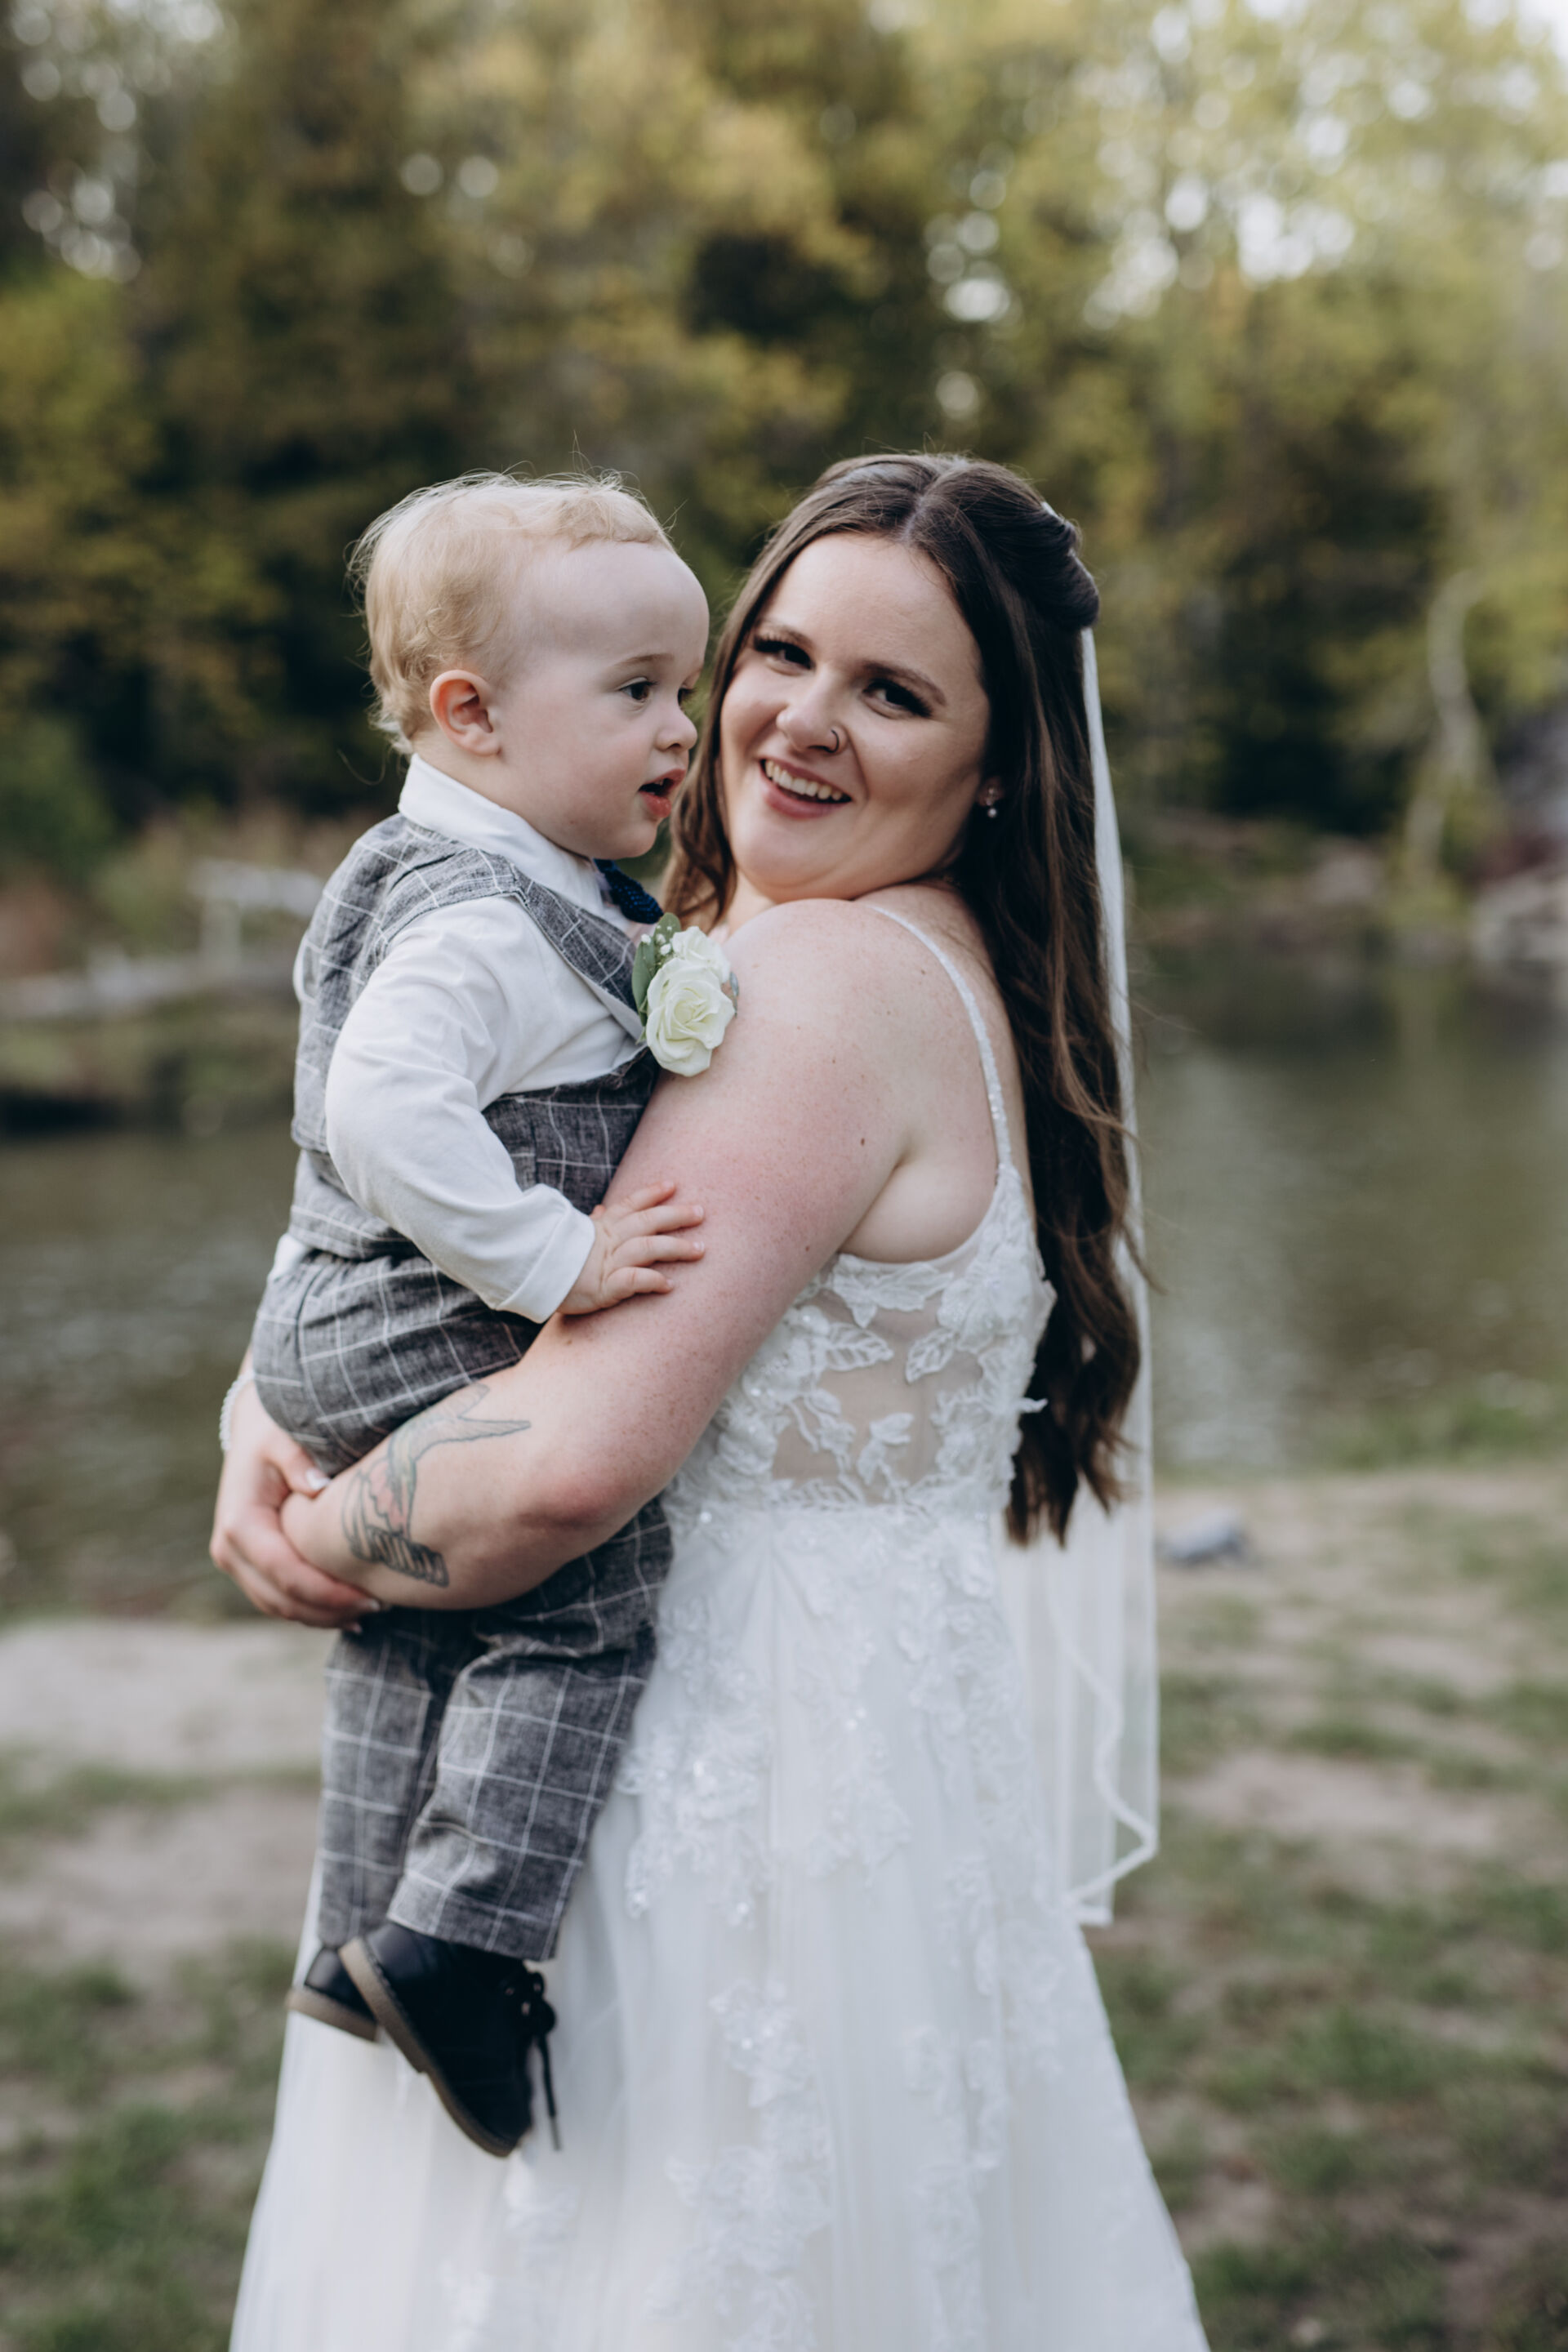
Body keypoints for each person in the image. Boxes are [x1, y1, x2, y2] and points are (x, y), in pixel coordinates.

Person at [215, 452, 1209, 2349]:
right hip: (878, 1779)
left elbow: (565, 1469)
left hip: (716, 1798)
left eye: (893, 692)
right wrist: (261, 1400)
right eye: (782, 654)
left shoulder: (820, 983)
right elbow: (406, 1222)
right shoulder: (890, 959)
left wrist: (304, 1517)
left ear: (999, 765)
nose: (801, 722)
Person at [241, 472, 717, 2153]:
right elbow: (381, 1114)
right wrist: (555, 1265)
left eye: (686, 687)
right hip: (416, 1303)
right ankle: (461, 1938)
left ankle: (352, 1933)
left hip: (336, 1310)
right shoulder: (479, 921)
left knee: (416, 1622)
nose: (683, 729)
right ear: (473, 715)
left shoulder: (471, 870)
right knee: (592, 1585)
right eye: (638, 690)